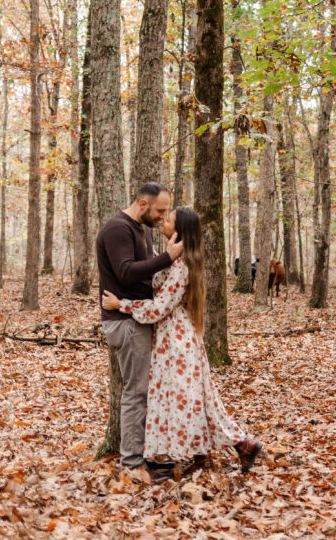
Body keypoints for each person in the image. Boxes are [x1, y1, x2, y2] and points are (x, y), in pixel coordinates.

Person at [102, 207, 264, 477]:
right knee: (194, 400)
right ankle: (211, 455)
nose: (163, 221)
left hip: (177, 343)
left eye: (169, 220)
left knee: (190, 401)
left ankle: (241, 444)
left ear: (180, 231)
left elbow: (159, 307)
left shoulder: (183, 266)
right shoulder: (177, 260)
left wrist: (122, 304)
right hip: (173, 340)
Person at [97, 183, 183, 479]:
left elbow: (148, 271)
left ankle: (143, 458)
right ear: (143, 204)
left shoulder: (142, 230)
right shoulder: (117, 229)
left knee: (144, 392)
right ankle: (132, 466)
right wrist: (167, 258)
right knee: (135, 393)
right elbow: (126, 271)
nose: (162, 217)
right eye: (160, 210)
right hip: (125, 322)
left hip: (137, 318)